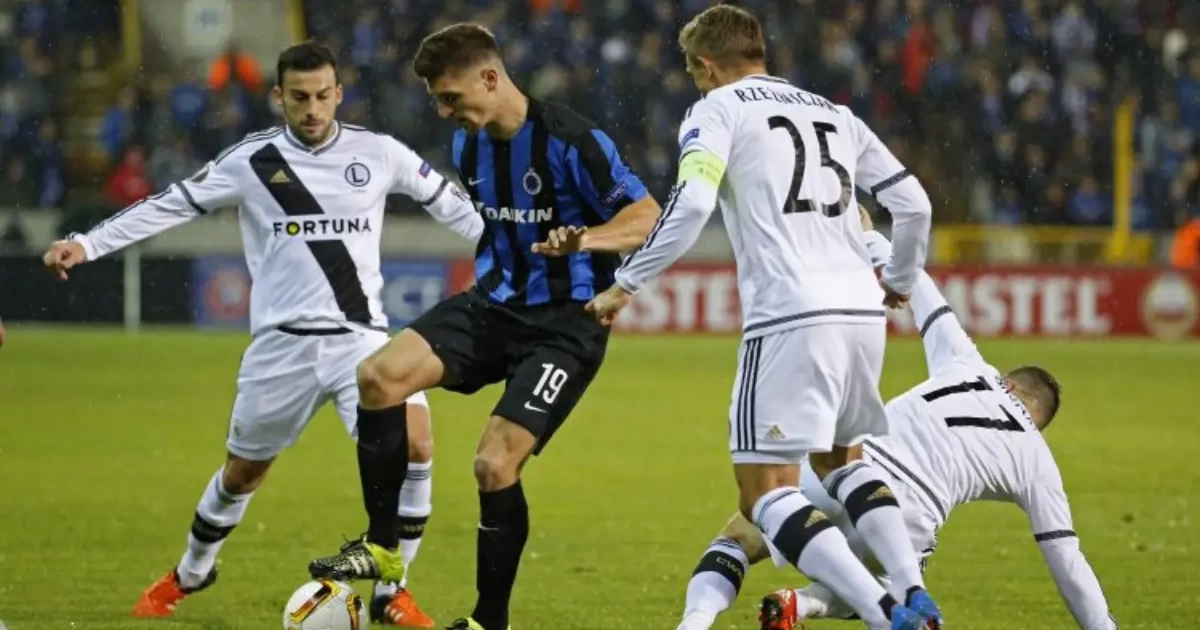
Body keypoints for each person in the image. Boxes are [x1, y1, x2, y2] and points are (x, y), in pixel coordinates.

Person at [40, 42, 482, 627]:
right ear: (279, 97)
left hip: (362, 342)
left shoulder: (379, 153)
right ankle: (192, 571)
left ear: (339, 94)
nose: (312, 108)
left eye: (322, 95)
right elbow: (172, 204)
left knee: (418, 446)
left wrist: (517, 250)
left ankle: (390, 592)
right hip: (281, 348)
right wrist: (88, 243)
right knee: (242, 473)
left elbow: (455, 206)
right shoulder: (252, 161)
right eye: (299, 97)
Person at [585, 6, 938, 630]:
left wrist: (627, 282)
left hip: (790, 311)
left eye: (693, 72)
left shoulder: (717, 109)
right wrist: (901, 281)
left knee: (765, 491)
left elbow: (692, 202)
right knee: (843, 463)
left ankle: (886, 614)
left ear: (706, 65)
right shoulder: (835, 114)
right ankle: (913, 590)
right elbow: (914, 205)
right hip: (861, 310)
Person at [305, 22, 662, 630]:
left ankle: (488, 621)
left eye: (451, 97)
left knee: (494, 465)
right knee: (378, 377)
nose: (446, 112)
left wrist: (587, 240)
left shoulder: (572, 140)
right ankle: (383, 546)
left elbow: (648, 215)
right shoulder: (470, 147)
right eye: (438, 101)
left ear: (491, 78)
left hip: (565, 325)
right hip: (492, 307)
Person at [681, 211, 1117, 630]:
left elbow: (920, 287)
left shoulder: (968, 363)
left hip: (845, 469)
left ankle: (695, 621)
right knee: (887, 592)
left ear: (1009, 383)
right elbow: (1067, 560)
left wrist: (869, 237)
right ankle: (806, 602)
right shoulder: (1036, 460)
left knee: (737, 539)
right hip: (906, 520)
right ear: (1036, 422)